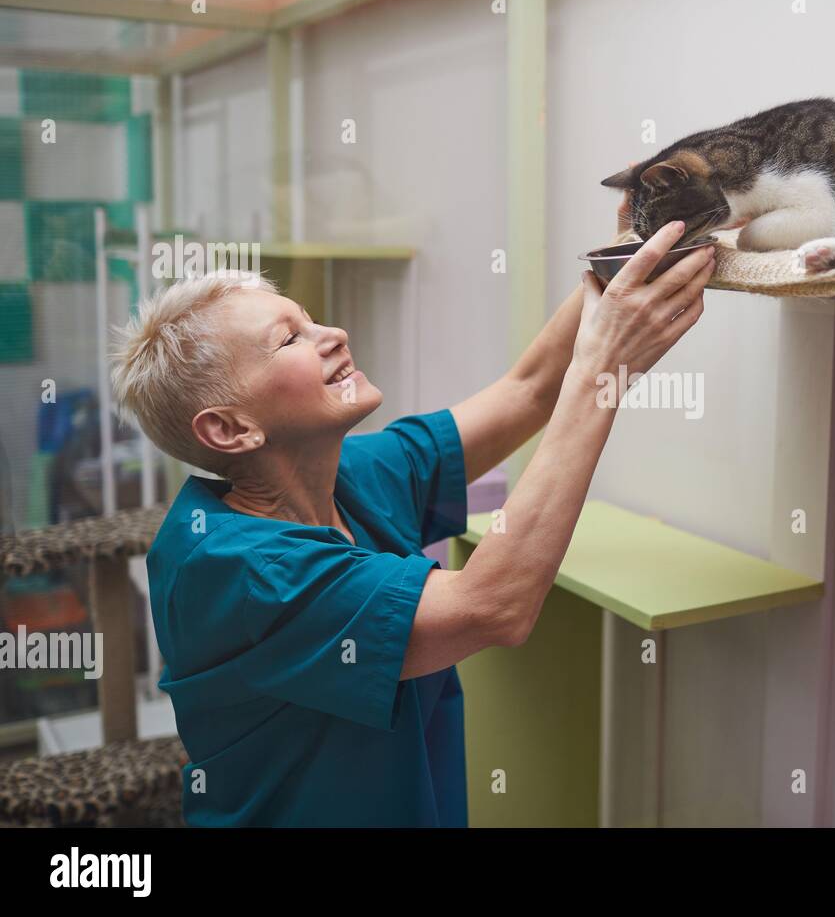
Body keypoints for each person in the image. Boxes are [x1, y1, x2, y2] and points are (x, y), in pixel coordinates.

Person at [109, 203, 714, 826]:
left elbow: (529, 389)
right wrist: (604, 370)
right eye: (290, 338)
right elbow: (494, 606)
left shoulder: (350, 476)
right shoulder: (242, 570)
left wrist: (630, 249)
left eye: (310, 320)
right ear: (230, 429)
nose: (334, 334)